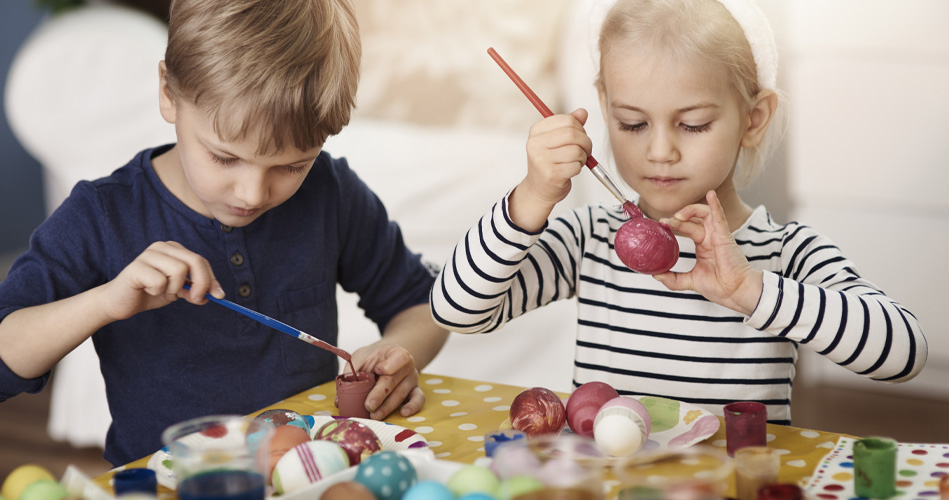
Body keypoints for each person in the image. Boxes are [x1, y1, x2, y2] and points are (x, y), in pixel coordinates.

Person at [430, 0, 927, 425]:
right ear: (604, 108)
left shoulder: (785, 253)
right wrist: (531, 197)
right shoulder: (590, 239)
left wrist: (748, 290)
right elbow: (456, 311)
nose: (660, 150)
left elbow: (904, 353)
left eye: (691, 125)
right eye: (632, 123)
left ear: (752, 119)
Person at [0, 0, 447, 466]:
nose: (253, 193)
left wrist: (401, 352)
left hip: (308, 479)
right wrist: (106, 302)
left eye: (292, 165)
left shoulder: (329, 193)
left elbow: (422, 304)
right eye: (225, 157)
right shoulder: (104, 215)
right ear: (169, 93)